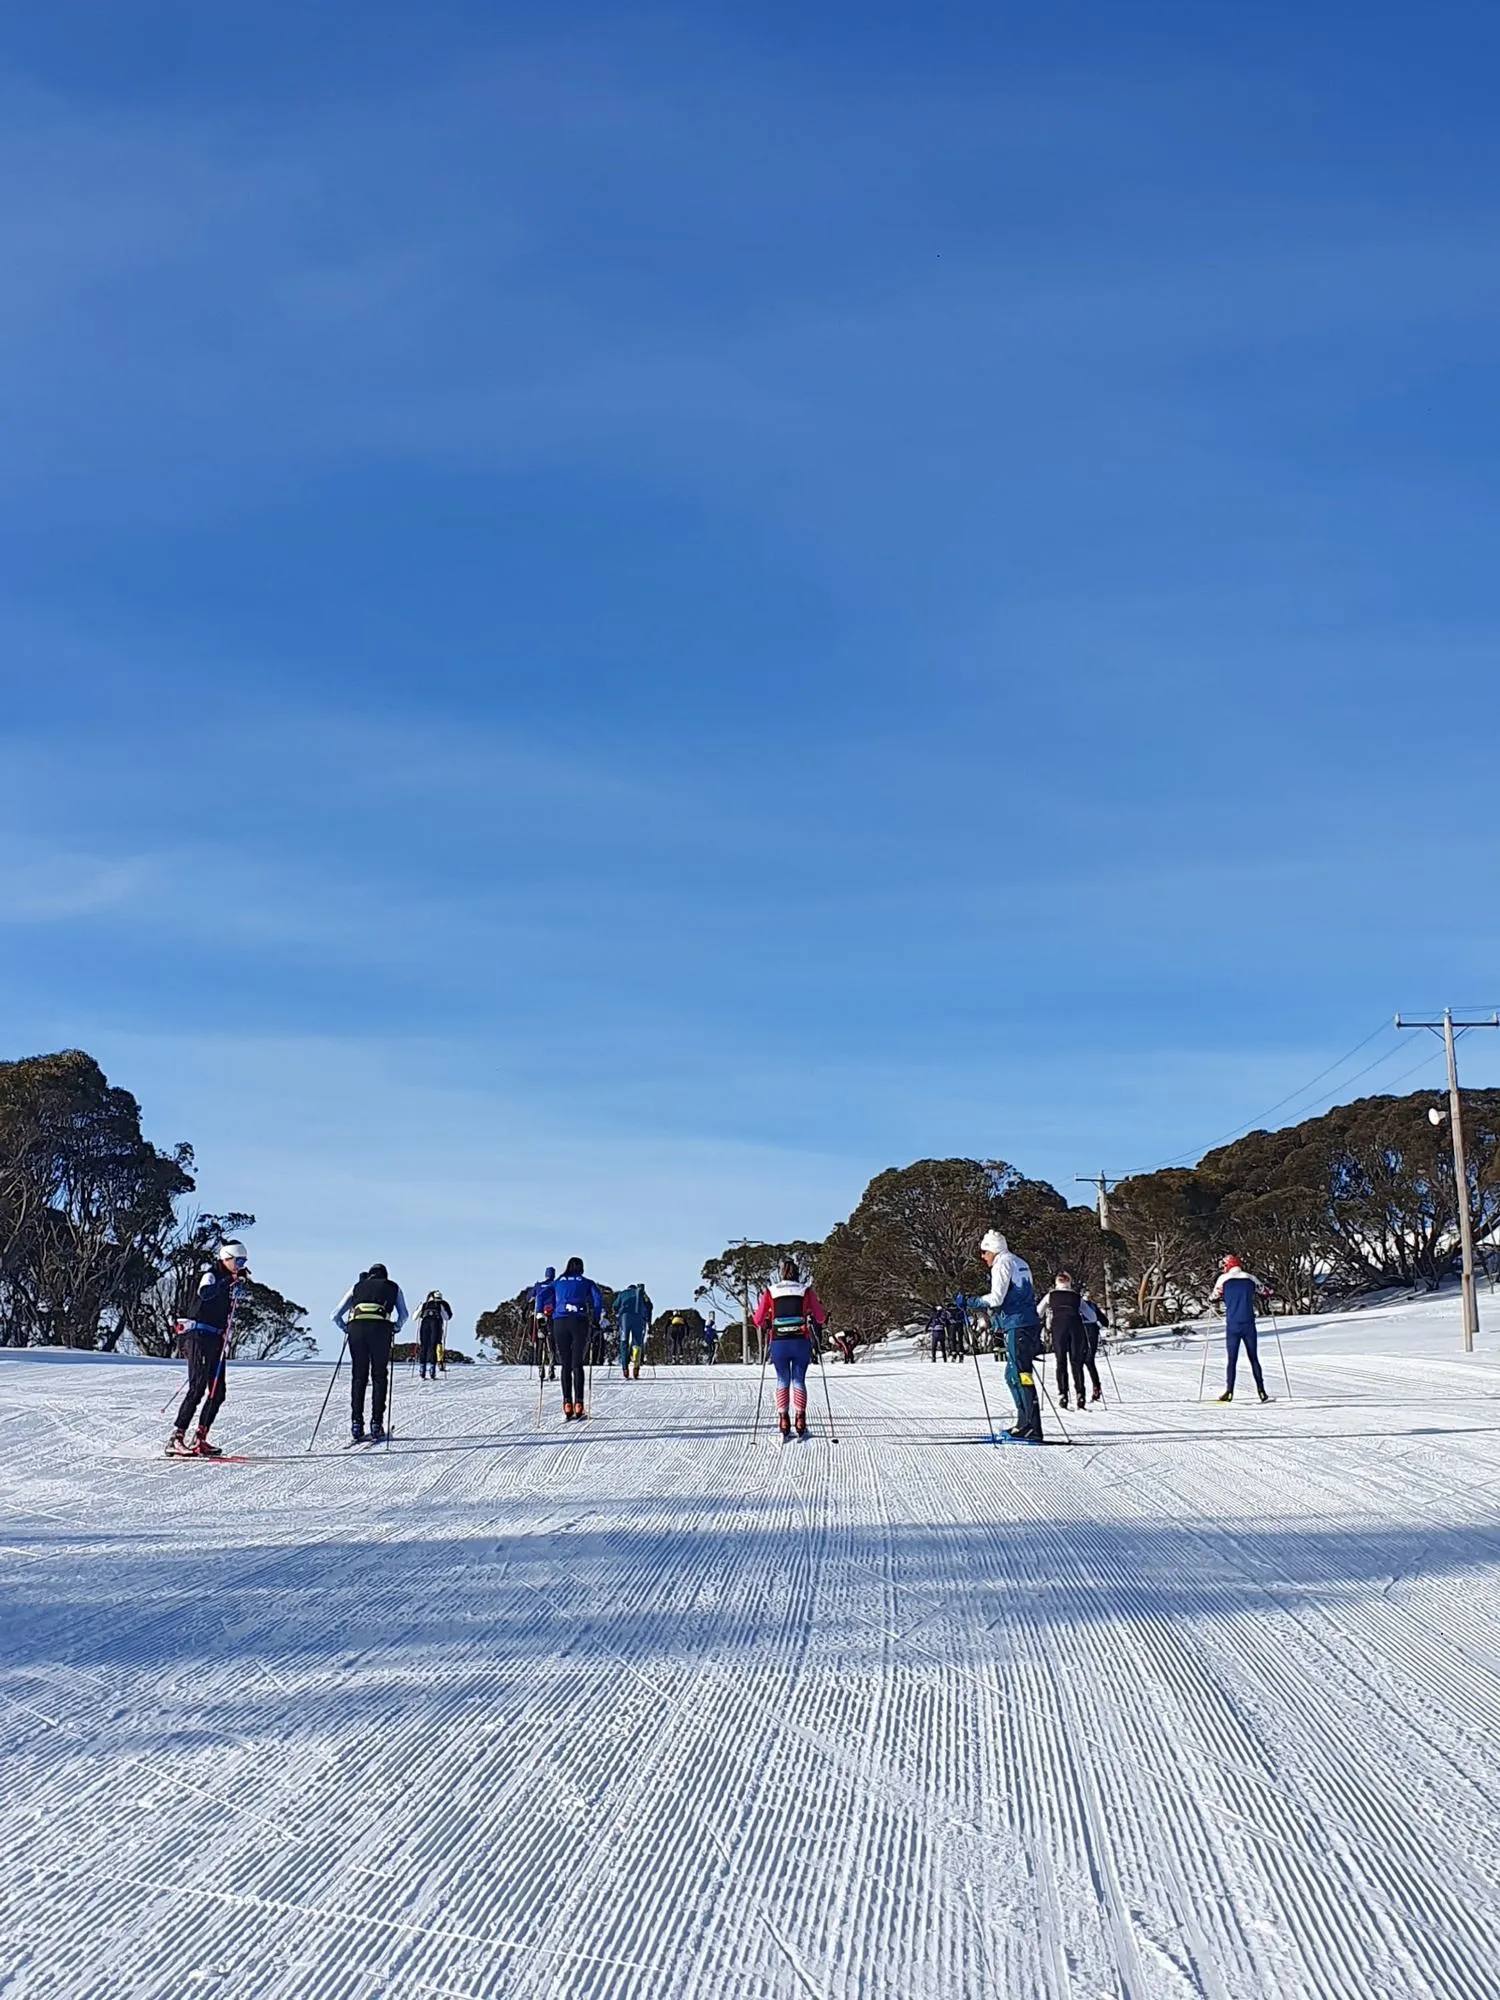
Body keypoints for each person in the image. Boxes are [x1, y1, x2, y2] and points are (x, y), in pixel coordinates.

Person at [166, 1239, 249, 1457]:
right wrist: (227, 1282)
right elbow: (205, 1293)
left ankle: (200, 1436)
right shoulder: (212, 1274)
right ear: (226, 1258)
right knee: (198, 1386)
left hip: (216, 1338)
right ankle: (176, 1436)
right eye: (237, 1261)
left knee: (217, 1391)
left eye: (243, 1261)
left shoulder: (233, 1278)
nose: (240, 1265)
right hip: (198, 1336)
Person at [972, 1229, 1043, 1442]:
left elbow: (996, 1298)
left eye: (984, 1252)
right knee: (1015, 1375)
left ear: (993, 1250)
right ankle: (1025, 1423)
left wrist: (972, 1302)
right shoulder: (1019, 1261)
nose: (983, 1257)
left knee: (1021, 1375)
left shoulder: (1002, 1263)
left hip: (1017, 1324)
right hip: (1025, 1322)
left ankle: (1031, 1426)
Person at [332, 1263, 409, 1443]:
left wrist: (346, 1328)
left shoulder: (357, 1286)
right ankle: (376, 1424)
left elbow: (335, 1315)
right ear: (385, 1276)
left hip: (356, 1329)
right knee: (379, 1376)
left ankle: (356, 1424)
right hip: (381, 1330)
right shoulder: (393, 1287)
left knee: (359, 1376)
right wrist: (395, 1328)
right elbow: (403, 1314)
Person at [751, 1258, 827, 1439]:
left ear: (781, 1273)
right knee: (799, 1380)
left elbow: (757, 1319)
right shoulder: (805, 1290)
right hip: (801, 1341)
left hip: (779, 1342)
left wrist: (768, 1321)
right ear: (798, 1272)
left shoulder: (771, 1291)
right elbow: (821, 1317)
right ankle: (800, 1418)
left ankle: (783, 1418)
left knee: (782, 1379)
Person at [1210, 1255, 1270, 1403]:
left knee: (1232, 1359)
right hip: (1249, 1324)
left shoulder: (1223, 1279)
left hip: (1233, 1325)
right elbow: (1266, 1292)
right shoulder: (1250, 1278)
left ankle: (1229, 1391)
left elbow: (1213, 1297)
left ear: (1228, 1265)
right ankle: (1261, 1391)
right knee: (1253, 1358)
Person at [551, 1256, 604, 1419]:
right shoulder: (587, 1282)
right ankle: (579, 1404)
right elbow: (598, 1299)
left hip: (559, 1322)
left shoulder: (558, 1281)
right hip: (579, 1321)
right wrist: (595, 1319)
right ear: (581, 1268)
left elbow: (545, 1296)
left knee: (565, 1364)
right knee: (577, 1364)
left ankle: (567, 1403)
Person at [1038, 1271, 1089, 1410]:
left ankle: (1062, 1394)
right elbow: (1091, 1316)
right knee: (1076, 1361)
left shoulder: (1051, 1295)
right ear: (1069, 1282)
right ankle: (1080, 1393)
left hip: (1059, 1327)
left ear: (1056, 1282)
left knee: (1060, 1361)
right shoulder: (1077, 1297)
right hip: (1076, 1327)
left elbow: (1038, 1312)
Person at [613, 1281, 653, 1379]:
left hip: (625, 1318)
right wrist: (648, 1321)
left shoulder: (622, 1293)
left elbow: (615, 1306)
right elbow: (649, 1306)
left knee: (624, 1342)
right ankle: (636, 1367)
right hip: (639, 1318)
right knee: (637, 1343)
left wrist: (616, 1315)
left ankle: (625, 1368)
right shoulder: (641, 1294)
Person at [417, 1290, 452, 1380]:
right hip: (435, 1326)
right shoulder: (441, 1305)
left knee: (423, 1346)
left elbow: (415, 1317)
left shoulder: (425, 1305)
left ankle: (422, 1370)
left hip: (424, 1325)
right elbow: (447, 1317)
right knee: (433, 1347)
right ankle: (432, 1371)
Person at [1078, 1290, 1106, 1403]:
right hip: (1088, 1332)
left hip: (1084, 1332)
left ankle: (1092, 1388)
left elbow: (1104, 1320)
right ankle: (1094, 1387)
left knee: (1085, 1361)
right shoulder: (1091, 1305)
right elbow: (1104, 1321)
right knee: (1087, 1361)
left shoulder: (1079, 1306)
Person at [530, 1266, 557, 1380]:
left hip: (540, 1315)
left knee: (539, 1340)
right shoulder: (556, 1285)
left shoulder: (538, 1285)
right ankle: (551, 1366)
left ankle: (540, 1366)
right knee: (551, 1342)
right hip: (554, 1316)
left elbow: (530, 1298)